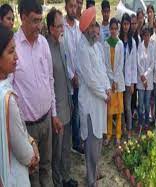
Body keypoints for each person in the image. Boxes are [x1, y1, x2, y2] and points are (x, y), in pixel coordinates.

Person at [12, 0, 60, 186]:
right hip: (26, 128)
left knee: (46, 166)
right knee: (31, 174)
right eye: (34, 21)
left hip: (46, 121)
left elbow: (50, 80)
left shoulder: (43, 44)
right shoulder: (13, 48)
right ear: (22, 17)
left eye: (41, 20)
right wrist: (22, 134)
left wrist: (54, 114)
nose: (39, 26)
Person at [0, 24, 39, 187]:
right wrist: (33, 153)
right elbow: (24, 154)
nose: (16, 57)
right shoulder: (6, 98)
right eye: (10, 52)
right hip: (12, 175)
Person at [76, 7, 111, 186]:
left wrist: (108, 88)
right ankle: (91, 181)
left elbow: (102, 70)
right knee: (90, 144)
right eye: (92, 27)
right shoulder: (82, 48)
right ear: (86, 28)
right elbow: (89, 80)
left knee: (97, 142)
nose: (95, 30)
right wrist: (104, 95)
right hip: (91, 103)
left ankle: (95, 173)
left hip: (100, 101)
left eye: (95, 26)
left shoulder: (96, 45)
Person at [46, 8, 78, 187]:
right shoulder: (46, 49)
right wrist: (54, 112)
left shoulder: (61, 44)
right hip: (56, 111)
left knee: (66, 148)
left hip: (67, 104)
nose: (62, 30)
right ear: (51, 28)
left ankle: (66, 178)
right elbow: (48, 84)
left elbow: (65, 74)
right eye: (59, 27)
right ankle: (57, 182)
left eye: (62, 26)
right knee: (56, 152)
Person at [63, 0, 83, 154]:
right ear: (65, 7)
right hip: (66, 79)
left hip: (79, 77)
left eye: (75, 6)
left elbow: (80, 52)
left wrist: (78, 74)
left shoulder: (79, 26)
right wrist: (71, 75)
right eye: (71, 6)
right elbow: (63, 56)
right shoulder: (61, 27)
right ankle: (67, 142)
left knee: (77, 110)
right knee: (68, 112)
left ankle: (76, 142)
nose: (73, 9)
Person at [103, 18, 125, 145]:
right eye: (111, 28)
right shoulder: (106, 44)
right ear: (109, 29)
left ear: (118, 29)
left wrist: (115, 80)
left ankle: (118, 134)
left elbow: (120, 64)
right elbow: (106, 64)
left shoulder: (120, 44)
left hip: (118, 82)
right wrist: (111, 80)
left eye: (116, 28)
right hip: (109, 82)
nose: (113, 31)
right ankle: (109, 134)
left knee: (119, 111)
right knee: (109, 111)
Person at [119, 13, 137, 139]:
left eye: (127, 24)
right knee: (120, 107)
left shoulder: (133, 42)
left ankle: (129, 129)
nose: (126, 26)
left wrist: (132, 83)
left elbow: (134, 64)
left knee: (127, 106)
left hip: (128, 80)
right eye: (124, 24)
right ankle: (123, 128)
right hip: (119, 79)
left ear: (130, 25)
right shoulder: (118, 40)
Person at [137, 26, 155, 132]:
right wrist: (142, 77)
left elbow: (152, 64)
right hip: (141, 80)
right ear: (142, 36)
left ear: (150, 35)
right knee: (140, 104)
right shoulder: (139, 46)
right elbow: (138, 62)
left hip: (148, 81)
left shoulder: (152, 47)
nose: (146, 37)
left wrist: (146, 76)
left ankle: (146, 123)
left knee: (147, 103)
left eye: (148, 35)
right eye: (144, 35)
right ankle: (140, 122)